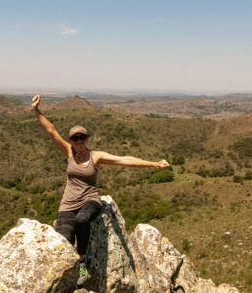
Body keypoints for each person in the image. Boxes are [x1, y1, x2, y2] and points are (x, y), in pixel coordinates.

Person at [31, 95, 170, 287]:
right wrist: (37, 110)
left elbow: (125, 160)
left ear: (87, 139)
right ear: (71, 140)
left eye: (82, 137)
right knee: (63, 241)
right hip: (67, 205)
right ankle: (66, 280)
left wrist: (154, 164)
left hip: (90, 200)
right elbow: (51, 131)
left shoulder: (96, 157)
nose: (79, 140)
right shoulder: (68, 152)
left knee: (82, 219)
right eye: (75, 138)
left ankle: (83, 265)